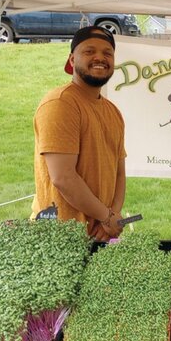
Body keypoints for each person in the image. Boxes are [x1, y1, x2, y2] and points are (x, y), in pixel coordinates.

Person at [31, 26, 126, 241]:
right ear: (72, 60)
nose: (100, 58)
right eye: (89, 51)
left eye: (107, 53)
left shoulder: (113, 112)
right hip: (59, 238)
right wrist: (106, 216)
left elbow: (119, 172)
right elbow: (63, 177)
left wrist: (112, 217)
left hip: (101, 235)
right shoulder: (60, 103)